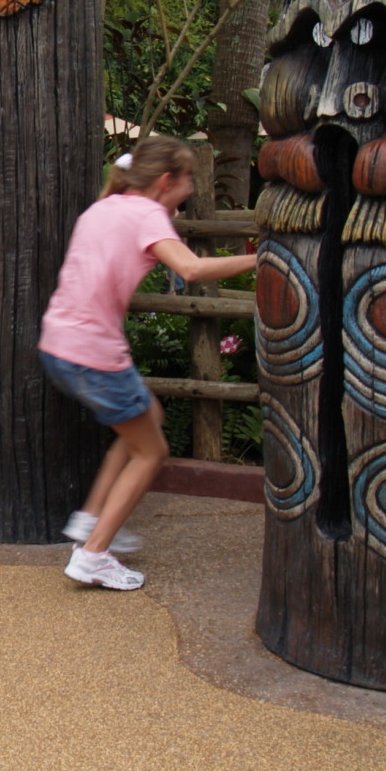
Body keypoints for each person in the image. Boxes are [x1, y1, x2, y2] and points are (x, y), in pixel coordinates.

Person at [39, 135, 256, 590]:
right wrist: (261, 258)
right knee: (151, 450)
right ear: (165, 180)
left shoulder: (104, 207)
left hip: (58, 344)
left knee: (147, 419)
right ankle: (93, 554)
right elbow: (191, 270)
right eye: (189, 179)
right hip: (94, 354)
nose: (192, 187)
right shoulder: (146, 215)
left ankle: (89, 520)